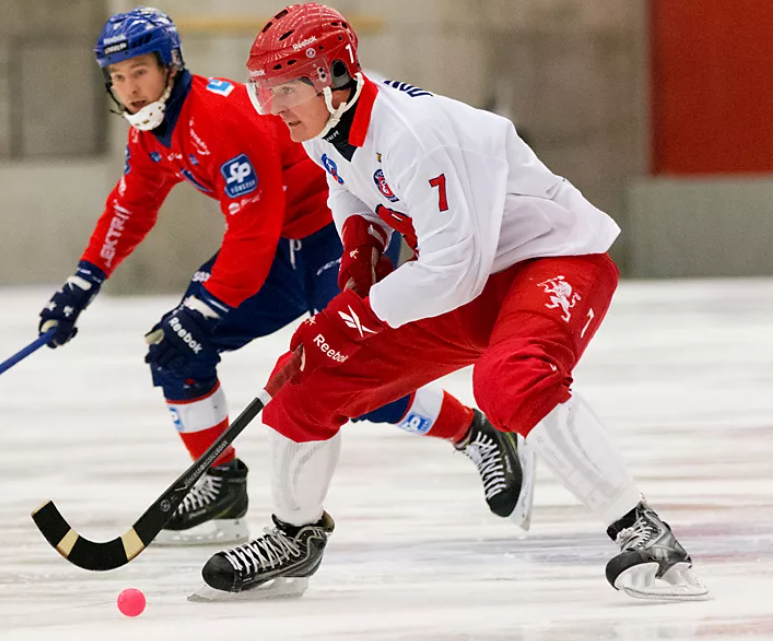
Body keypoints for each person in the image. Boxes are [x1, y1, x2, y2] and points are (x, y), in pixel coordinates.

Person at [194, 3, 708, 602]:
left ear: (333, 76)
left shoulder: (413, 137)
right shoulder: (325, 126)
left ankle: (647, 535)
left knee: (508, 382)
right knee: (311, 381)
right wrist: (361, 245)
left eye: (285, 89)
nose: (273, 107)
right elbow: (349, 187)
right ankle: (294, 538)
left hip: (551, 259)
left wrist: (356, 314)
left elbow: (452, 271)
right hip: (471, 274)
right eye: (265, 90)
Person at [38, 7, 534, 546]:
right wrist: (83, 283)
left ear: (170, 66)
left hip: (327, 236)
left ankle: (474, 432)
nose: (130, 89)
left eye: (140, 72)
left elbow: (251, 234)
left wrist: (201, 310)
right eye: (117, 77)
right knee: (174, 352)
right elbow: (131, 207)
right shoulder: (151, 132)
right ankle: (221, 482)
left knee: (348, 373)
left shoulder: (220, 118)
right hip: (276, 248)